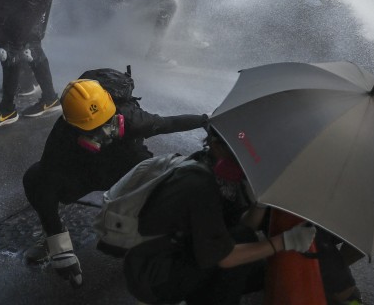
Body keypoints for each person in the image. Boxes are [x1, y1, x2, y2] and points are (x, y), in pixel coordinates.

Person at [22, 71, 208, 285]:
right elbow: (47, 175)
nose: (102, 129)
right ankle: (53, 233)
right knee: (35, 178)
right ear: (72, 123)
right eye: (92, 127)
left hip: (124, 167)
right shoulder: (63, 130)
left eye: (106, 121)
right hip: (84, 170)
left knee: (156, 183)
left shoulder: (132, 119)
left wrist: (205, 120)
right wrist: (59, 248)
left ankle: (158, 241)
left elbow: (168, 124)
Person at [123, 127, 317, 305]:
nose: (248, 162)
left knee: (252, 257)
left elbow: (244, 228)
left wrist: (259, 204)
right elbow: (225, 257)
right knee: (240, 262)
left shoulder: (222, 180)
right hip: (154, 278)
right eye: (241, 154)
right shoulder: (199, 184)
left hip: (183, 250)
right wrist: (284, 241)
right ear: (216, 146)